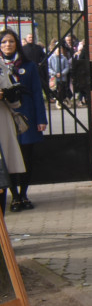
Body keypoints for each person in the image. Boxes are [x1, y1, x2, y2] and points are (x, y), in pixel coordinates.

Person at [0, 30, 43, 212]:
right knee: (8, 157)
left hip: (27, 115)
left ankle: (24, 193)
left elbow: (36, 93)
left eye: (10, 41)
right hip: (5, 117)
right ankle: (14, 197)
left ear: (17, 43)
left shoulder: (29, 65)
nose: (7, 45)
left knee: (27, 157)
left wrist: (41, 118)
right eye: (3, 42)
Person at [0, 56, 26, 215]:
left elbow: (15, 104)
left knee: (2, 179)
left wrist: (9, 95)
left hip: (2, 124)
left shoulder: (2, 66)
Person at [47, 42, 70, 108]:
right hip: (54, 78)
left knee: (61, 90)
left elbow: (67, 67)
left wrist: (62, 73)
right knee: (55, 90)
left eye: (60, 50)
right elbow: (49, 67)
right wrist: (54, 73)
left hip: (62, 78)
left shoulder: (64, 58)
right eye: (57, 50)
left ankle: (59, 101)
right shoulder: (51, 58)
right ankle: (61, 100)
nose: (59, 51)